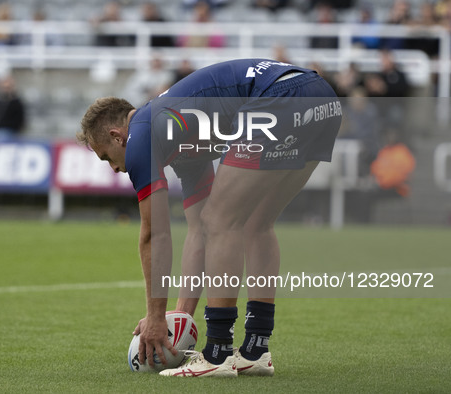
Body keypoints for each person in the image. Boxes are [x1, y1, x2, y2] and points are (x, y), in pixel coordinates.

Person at [78, 59, 341, 377]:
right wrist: (180, 317)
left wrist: (156, 316)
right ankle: (255, 351)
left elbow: (154, 234)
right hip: (321, 98)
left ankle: (217, 353)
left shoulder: (141, 138)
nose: (114, 168)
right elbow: (197, 233)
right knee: (255, 223)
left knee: (221, 220)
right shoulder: (177, 134)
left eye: (106, 157)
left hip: (281, 96)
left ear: (117, 136)